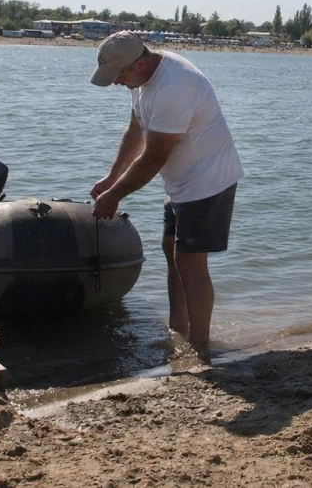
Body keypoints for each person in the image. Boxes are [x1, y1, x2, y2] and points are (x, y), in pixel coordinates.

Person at [88, 32, 243, 353]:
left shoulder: (174, 86)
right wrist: (112, 176)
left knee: (190, 263)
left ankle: (201, 345)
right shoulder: (142, 79)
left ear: (140, 63)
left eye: (119, 75)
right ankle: (178, 330)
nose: (116, 82)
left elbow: (154, 158)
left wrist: (115, 196)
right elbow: (136, 131)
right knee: (171, 251)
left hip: (207, 181)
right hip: (180, 182)